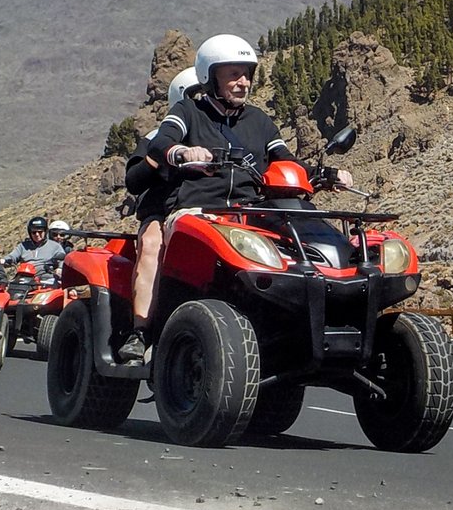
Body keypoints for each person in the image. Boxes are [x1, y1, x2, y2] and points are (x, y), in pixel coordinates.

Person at [122, 35, 353, 362]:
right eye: (233, 74)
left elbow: (284, 159)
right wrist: (182, 151)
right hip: (197, 211)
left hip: (251, 212)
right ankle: (141, 332)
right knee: (151, 245)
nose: (243, 82)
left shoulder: (259, 121)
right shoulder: (187, 111)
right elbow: (162, 143)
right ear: (210, 77)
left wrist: (325, 174)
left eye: (247, 74)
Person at [116, 65, 200, 363]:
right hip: (164, 214)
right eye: (196, 94)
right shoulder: (158, 136)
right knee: (151, 244)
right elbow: (135, 180)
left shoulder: (223, 133)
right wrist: (160, 155)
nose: (202, 98)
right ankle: (140, 332)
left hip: (213, 214)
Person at [2, 215, 68, 269]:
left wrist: (59, 268)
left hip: (47, 278)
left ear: (45, 232)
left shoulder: (55, 246)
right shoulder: (23, 246)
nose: (37, 234)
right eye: (34, 232)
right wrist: (4, 261)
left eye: (40, 232)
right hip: (25, 278)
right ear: (30, 233)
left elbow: (62, 260)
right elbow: (12, 256)